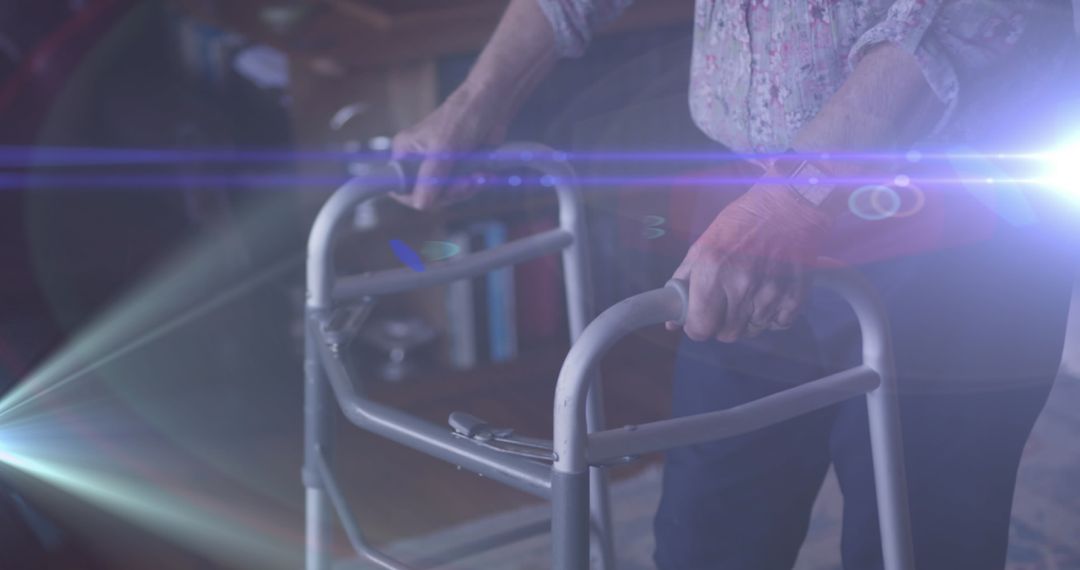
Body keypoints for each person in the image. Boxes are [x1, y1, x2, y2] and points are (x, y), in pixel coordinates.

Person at [392, 1, 1077, 568]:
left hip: (958, 219)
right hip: (757, 199)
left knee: (919, 536)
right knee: (708, 532)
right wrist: (477, 99)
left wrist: (794, 200)